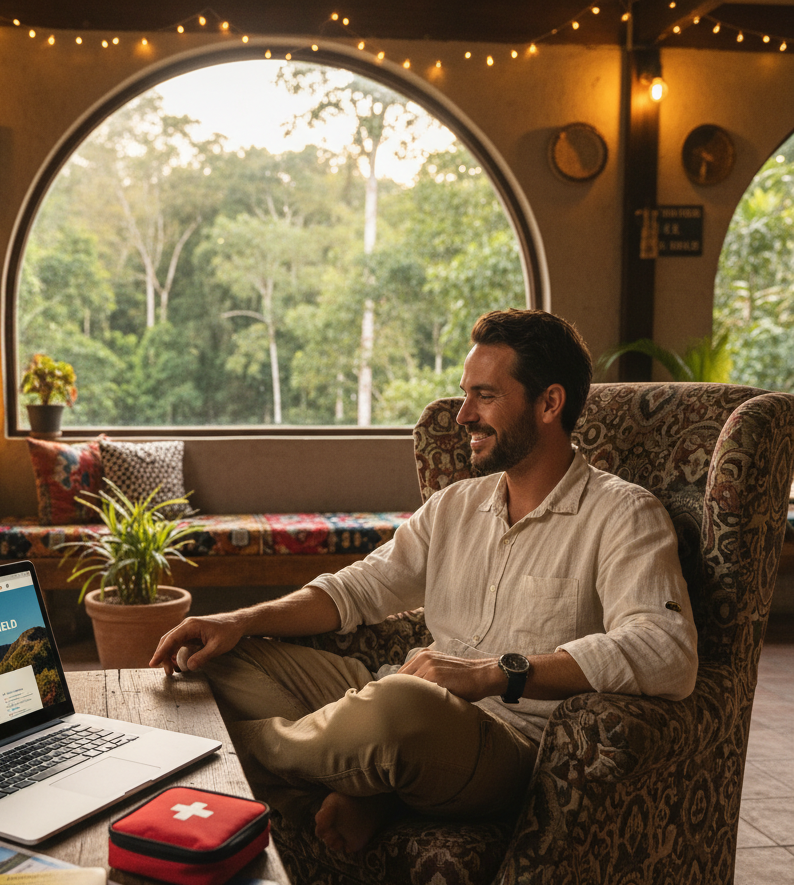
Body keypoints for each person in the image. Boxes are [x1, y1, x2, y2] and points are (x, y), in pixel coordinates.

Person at [151, 308, 698, 855]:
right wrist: (238, 620)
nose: (463, 415)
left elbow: (666, 651)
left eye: (485, 395)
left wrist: (494, 674)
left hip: (502, 742)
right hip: (400, 697)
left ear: (549, 403)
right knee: (217, 656)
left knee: (398, 711)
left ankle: (205, 751)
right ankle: (357, 789)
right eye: (465, 394)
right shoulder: (455, 505)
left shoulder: (622, 513)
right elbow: (358, 589)